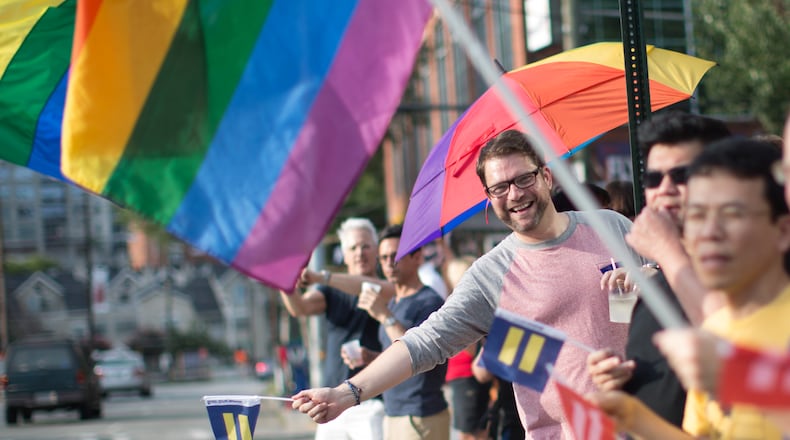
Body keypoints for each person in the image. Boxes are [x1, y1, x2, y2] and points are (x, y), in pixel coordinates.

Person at [292, 129, 641, 438]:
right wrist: (347, 393)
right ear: (489, 199)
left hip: (648, 422)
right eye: (500, 187)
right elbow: (426, 341)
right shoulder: (493, 272)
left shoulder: (610, 226)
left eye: (523, 179)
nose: (515, 194)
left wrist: (652, 285)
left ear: (546, 177)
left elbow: (672, 297)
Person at [591, 137, 790, 439]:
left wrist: (736, 376)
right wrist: (632, 416)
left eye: (733, 214)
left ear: (783, 230)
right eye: (697, 216)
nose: (709, 232)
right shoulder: (718, 327)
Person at [586, 111, 731, 427]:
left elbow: (736, 348)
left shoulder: (746, 268)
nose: (664, 188)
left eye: (682, 176)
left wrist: (667, 249)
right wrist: (620, 381)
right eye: (653, 178)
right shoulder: (659, 280)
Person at [279, 217, 387, 440]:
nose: (360, 253)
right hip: (332, 398)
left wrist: (321, 276)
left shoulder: (385, 287)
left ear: (376, 250)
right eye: (353, 247)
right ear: (344, 254)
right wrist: (284, 284)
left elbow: (367, 286)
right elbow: (300, 308)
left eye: (365, 245)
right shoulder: (332, 291)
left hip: (372, 400)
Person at [354, 224, 450, 440]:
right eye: (383, 258)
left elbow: (420, 353)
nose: (389, 263)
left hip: (420, 415)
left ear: (417, 257)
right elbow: (398, 358)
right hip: (394, 412)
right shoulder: (394, 303)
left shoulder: (429, 302)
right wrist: (372, 357)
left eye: (395, 256)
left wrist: (384, 316)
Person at [443, 256, 490, 440]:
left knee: (472, 433)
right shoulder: (463, 306)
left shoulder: (458, 304)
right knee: (472, 433)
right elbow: (469, 346)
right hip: (466, 377)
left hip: (464, 376)